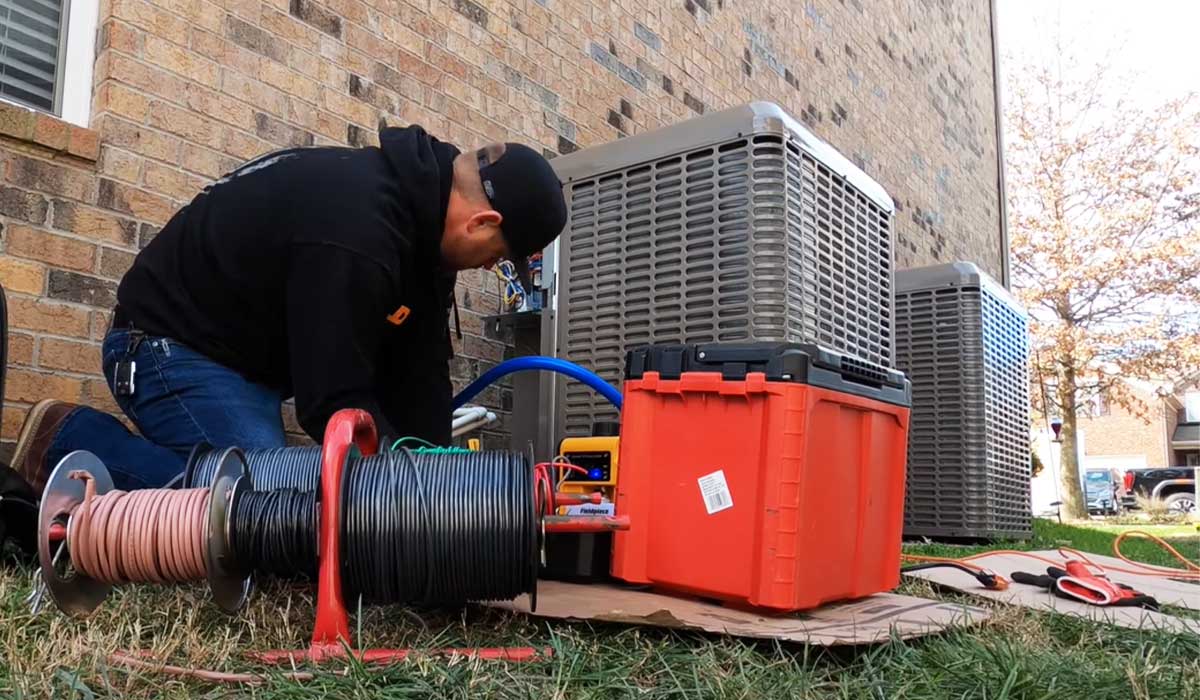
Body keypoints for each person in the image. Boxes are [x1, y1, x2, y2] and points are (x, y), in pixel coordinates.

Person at [10, 124, 567, 492]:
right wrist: (399, 501)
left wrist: (435, 480)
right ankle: (69, 438)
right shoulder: (359, 229)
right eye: (495, 256)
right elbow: (333, 403)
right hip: (163, 346)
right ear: (482, 224)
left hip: (242, 365)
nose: (483, 266)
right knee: (270, 502)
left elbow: (419, 377)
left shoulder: (423, 244)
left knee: (294, 495)